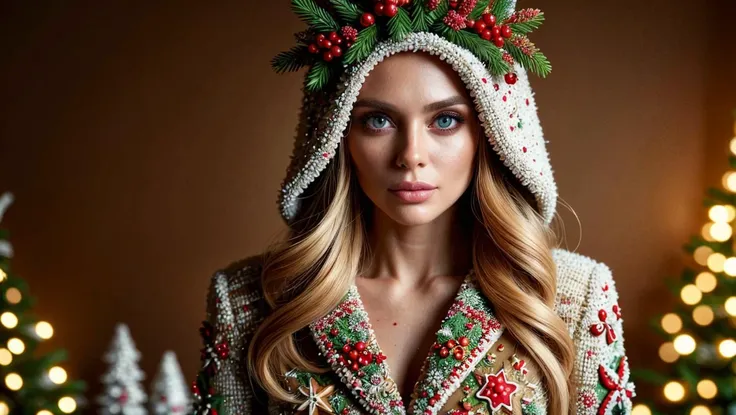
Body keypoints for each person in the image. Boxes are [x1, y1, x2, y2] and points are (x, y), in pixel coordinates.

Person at [191, 1, 635, 414]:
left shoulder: (573, 296)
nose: (411, 155)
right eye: (377, 120)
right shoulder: (251, 300)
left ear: (489, 135)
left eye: (445, 120)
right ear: (338, 136)